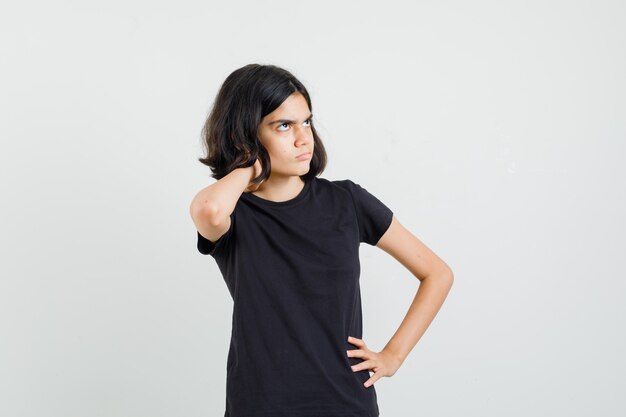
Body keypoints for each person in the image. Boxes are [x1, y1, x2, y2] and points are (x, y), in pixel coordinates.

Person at [189, 63, 454, 417]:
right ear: (247, 135)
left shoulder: (347, 202)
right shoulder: (234, 213)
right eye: (283, 125)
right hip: (260, 405)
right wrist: (250, 164)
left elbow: (437, 273)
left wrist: (393, 355)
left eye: (307, 122)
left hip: (345, 403)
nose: (303, 138)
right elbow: (207, 210)